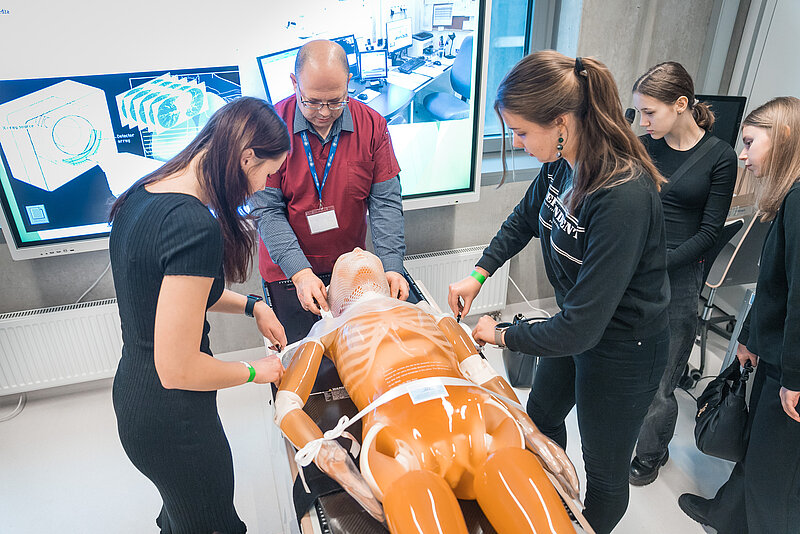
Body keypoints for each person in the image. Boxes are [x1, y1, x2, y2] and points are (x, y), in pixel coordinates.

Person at [448, 50, 671, 534]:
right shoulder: (560, 163)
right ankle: (556, 509)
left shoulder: (622, 194)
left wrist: (502, 334)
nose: (517, 142)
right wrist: (479, 273)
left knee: (605, 472)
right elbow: (525, 219)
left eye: (523, 132)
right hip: (577, 328)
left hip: (622, 347)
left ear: (562, 121)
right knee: (543, 416)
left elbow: (582, 328)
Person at [275, 247, 581, 534]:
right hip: (407, 442)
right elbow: (286, 404)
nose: (358, 251)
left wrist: (531, 431)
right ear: (328, 300)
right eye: (350, 260)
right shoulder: (329, 327)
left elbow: (480, 370)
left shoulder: (428, 313)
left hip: (459, 426)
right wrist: (331, 458)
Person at [108, 97, 290, 533]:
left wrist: (253, 305)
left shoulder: (147, 191)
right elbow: (178, 370)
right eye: (266, 174)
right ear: (247, 158)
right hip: (174, 418)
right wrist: (255, 371)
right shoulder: (194, 225)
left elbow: (177, 296)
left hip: (136, 396)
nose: (263, 186)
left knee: (181, 514)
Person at [678, 96, 800, 534]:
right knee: (758, 453)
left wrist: (794, 377)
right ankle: (728, 516)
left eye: (749, 143)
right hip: (774, 352)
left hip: (791, 368)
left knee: (776, 483)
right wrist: (749, 335)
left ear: (783, 136)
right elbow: (773, 287)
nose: (742, 155)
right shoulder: (790, 197)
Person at [627, 61, 737, 486]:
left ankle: (650, 452)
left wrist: (655, 262)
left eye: (650, 112)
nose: (642, 121)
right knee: (625, 361)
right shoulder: (642, 145)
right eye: (638, 112)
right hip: (633, 268)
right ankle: (622, 433)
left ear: (681, 104)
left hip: (678, 275)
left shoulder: (720, 157)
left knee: (662, 380)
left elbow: (710, 233)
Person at [249, 39, 408, 317]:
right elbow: (267, 210)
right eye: (311, 102)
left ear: (348, 81)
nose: (324, 112)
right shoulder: (268, 128)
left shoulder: (372, 125)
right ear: (294, 83)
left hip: (348, 272)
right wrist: (299, 273)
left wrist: (392, 265)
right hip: (287, 274)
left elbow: (385, 204)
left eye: (336, 101)